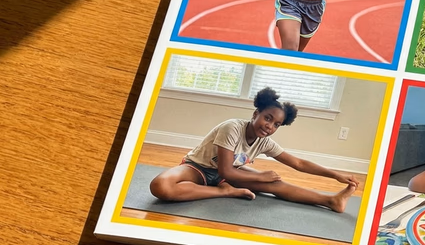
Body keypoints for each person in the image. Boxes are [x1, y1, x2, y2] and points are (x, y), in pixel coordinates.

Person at [149, 87, 359, 213]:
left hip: (230, 174)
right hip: (198, 168)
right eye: (268, 118)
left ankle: (331, 200)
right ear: (255, 113)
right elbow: (225, 171)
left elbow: (299, 163)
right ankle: (224, 192)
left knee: (275, 183)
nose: (270, 126)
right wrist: (260, 178)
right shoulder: (232, 127)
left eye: (276, 124)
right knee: (160, 186)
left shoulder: (264, 142)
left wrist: (336, 175)